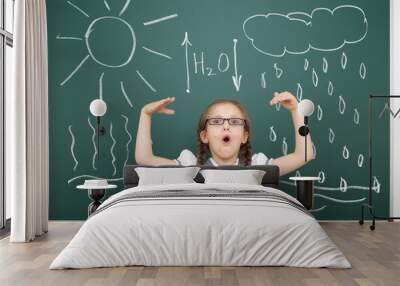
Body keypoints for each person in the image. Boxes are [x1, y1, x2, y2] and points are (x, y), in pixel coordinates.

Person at [135, 92, 314, 176]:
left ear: (244, 136)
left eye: (235, 121)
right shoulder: (189, 165)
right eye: (217, 121)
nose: (226, 127)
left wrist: (295, 110)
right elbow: (144, 159)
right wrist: (146, 114)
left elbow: (304, 156)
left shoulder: (258, 166)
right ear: (204, 136)